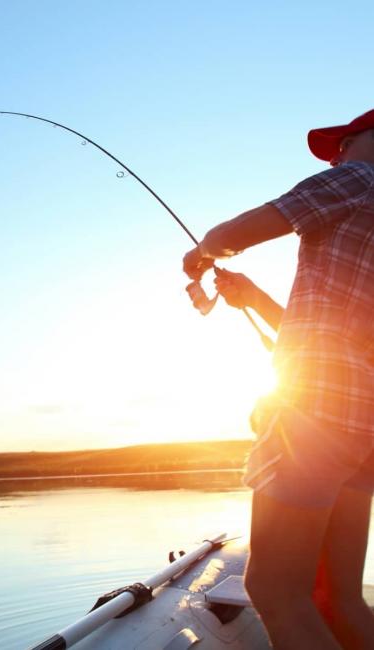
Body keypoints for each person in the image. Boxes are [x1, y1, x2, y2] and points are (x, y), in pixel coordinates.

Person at [183, 109, 374, 649]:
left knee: (273, 589)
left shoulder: (356, 179)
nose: (337, 157)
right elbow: (340, 329)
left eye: (344, 143)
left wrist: (202, 253)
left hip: (317, 413)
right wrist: (252, 298)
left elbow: (230, 236)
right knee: (344, 598)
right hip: (366, 428)